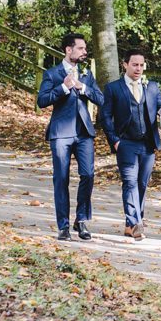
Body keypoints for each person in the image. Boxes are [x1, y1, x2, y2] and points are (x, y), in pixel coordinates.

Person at [100, 50, 161, 239]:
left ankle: (131, 224)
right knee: (130, 182)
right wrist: (114, 140)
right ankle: (135, 222)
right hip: (126, 143)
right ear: (125, 65)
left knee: (142, 184)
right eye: (135, 64)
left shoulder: (152, 87)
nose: (138, 68)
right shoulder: (113, 88)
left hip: (148, 144)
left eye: (141, 65)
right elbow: (105, 116)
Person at [36, 33, 99, 241]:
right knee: (61, 179)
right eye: (80, 48)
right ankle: (63, 226)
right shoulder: (52, 73)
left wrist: (83, 88)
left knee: (88, 175)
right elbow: (42, 100)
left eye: (84, 49)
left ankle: (81, 220)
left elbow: (101, 98)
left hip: (84, 133)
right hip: (60, 133)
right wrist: (64, 87)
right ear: (68, 50)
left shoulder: (86, 73)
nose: (84, 52)